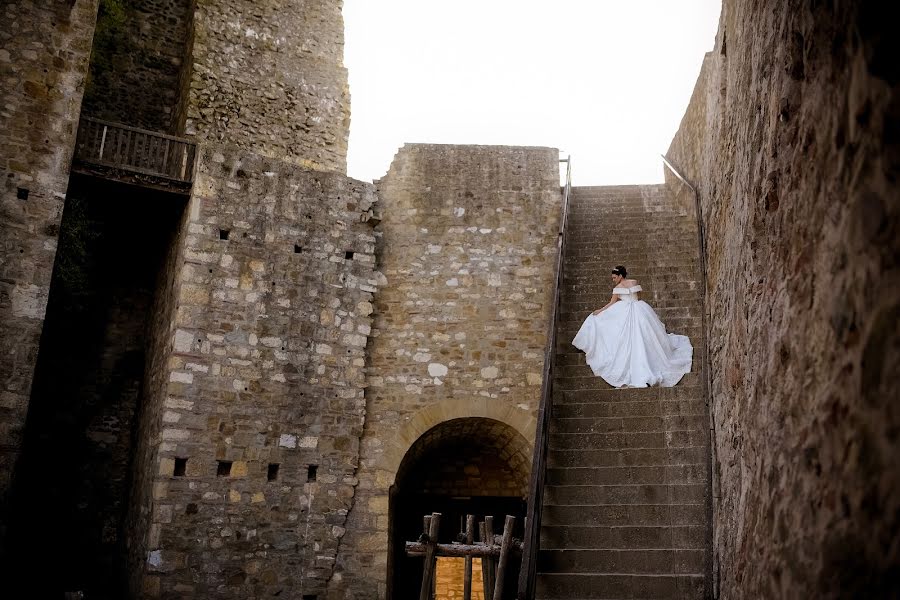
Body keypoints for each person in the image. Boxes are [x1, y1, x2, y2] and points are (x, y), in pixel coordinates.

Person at [571, 265, 693, 388]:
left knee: (607, 325)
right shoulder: (634, 282)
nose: (613, 280)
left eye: (614, 277)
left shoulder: (617, 288)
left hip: (626, 310)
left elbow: (611, 303)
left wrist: (600, 311)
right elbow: (639, 296)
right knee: (644, 333)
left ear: (620, 276)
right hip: (640, 309)